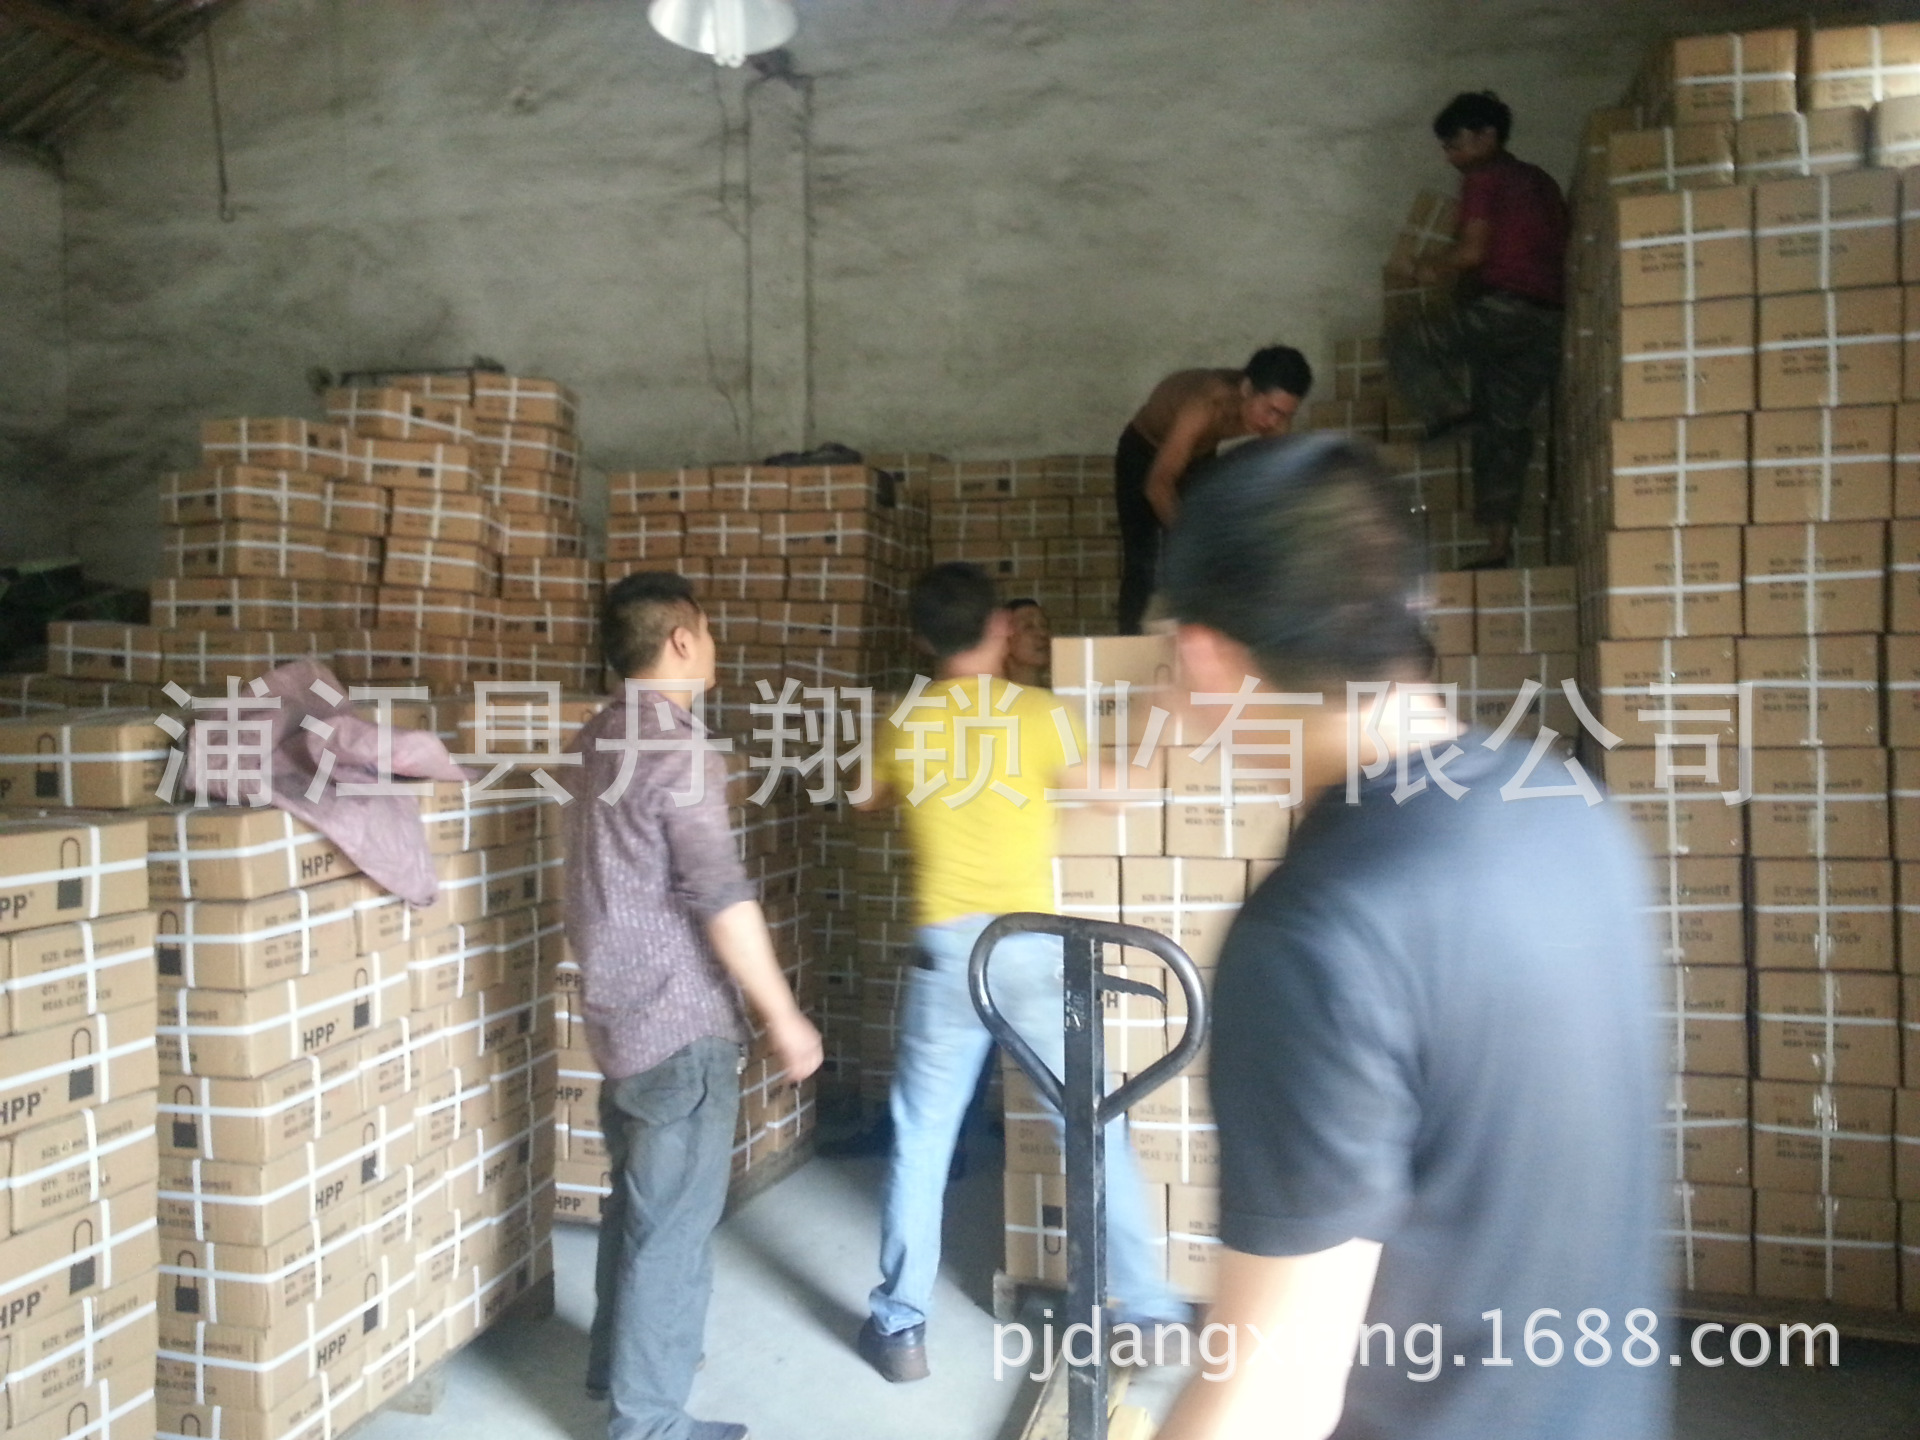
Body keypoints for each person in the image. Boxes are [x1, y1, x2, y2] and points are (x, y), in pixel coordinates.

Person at [1150, 436, 1669, 1440]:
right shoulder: (1573, 811)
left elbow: (1272, 1395)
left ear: (1209, 657)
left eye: (1172, 663)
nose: (1168, 700)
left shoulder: (1318, 934)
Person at [855, 563, 1188, 1383]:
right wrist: (1159, 715)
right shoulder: (1039, 715)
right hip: (1031, 950)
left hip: (946, 958)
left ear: (920, 637)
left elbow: (861, 796)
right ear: (1002, 628)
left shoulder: (904, 721)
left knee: (922, 1137)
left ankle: (901, 1328)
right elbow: (1120, 793)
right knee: (1091, 1125)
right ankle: (1148, 1311)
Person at [565, 571, 824, 1440]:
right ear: (682, 639)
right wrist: (783, 1015)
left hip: (616, 1014)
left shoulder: (597, 736)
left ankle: (614, 1372)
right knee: (672, 1230)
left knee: (635, 1208)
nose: (713, 647)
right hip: (679, 1025)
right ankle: (648, 1422)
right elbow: (720, 895)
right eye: (707, 632)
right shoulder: (680, 753)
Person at [1386, 90, 1568, 570]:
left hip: (1506, 310)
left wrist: (1424, 269)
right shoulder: (1540, 181)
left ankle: (1450, 413)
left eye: (1455, 144)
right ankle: (1498, 548)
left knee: (1409, 340)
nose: (1450, 157)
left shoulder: (1484, 178)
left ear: (1487, 136)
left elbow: (1471, 253)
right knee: (1503, 432)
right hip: (1549, 322)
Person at [1115, 345, 1313, 634]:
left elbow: (1278, 484)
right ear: (1247, 389)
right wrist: (1192, 539)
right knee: (1147, 561)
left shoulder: (1275, 418)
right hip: (1144, 453)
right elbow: (1158, 485)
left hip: (1198, 456)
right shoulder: (1207, 403)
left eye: (1283, 415)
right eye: (1270, 410)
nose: (1273, 422)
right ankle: (1131, 649)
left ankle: (1202, 641)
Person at [1003, 597, 1052, 688]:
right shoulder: (989, 695)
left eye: (1045, 626)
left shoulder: (1062, 694)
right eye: (1028, 627)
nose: (1043, 633)